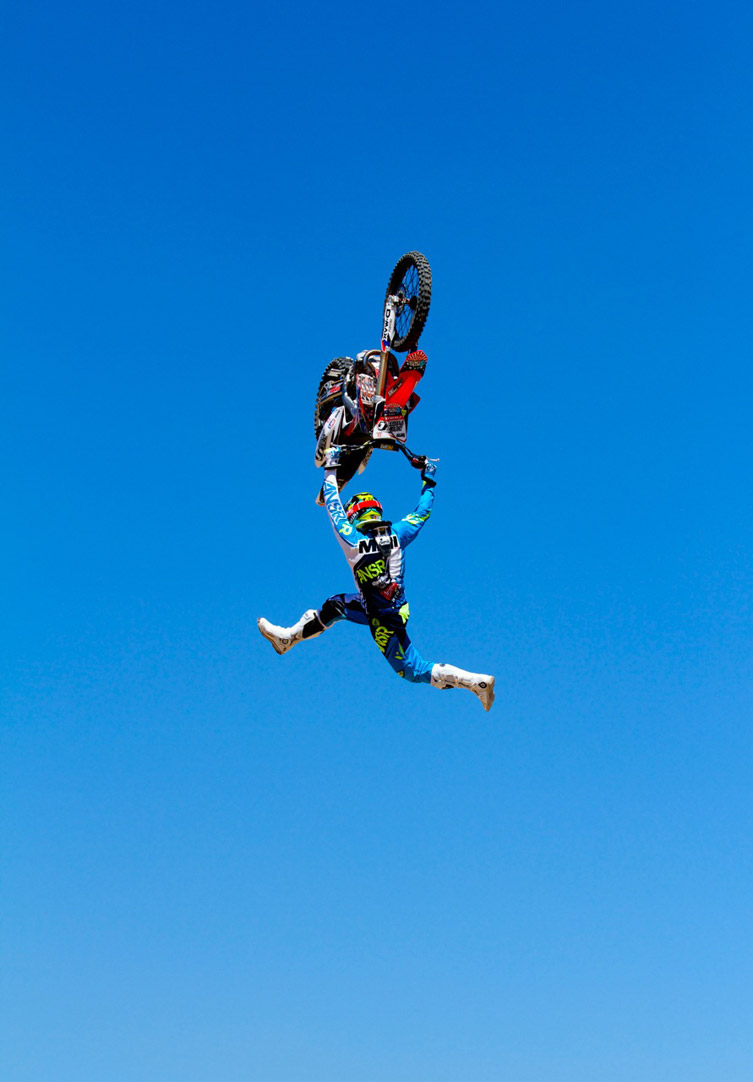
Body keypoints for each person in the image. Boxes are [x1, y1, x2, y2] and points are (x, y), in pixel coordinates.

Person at [257, 453, 495, 711]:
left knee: (411, 670)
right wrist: (429, 478)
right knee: (336, 605)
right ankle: (288, 638)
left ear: (355, 515)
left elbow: (334, 507)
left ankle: (476, 683)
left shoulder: (352, 540)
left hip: (382, 618)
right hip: (391, 607)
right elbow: (422, 512)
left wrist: (331, 468)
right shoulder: (398, 533)